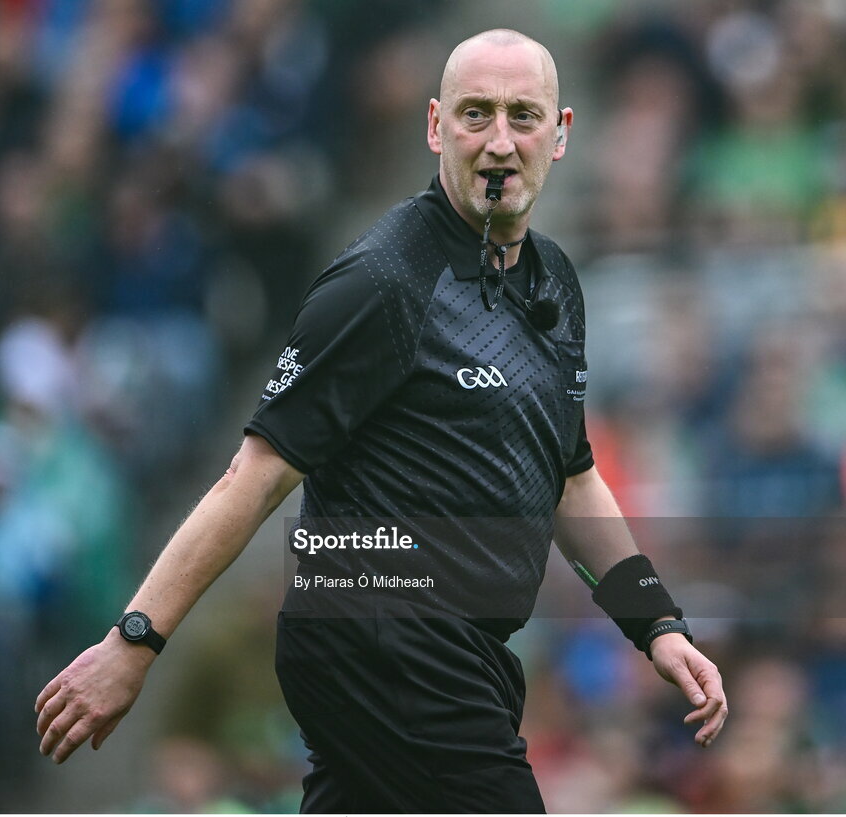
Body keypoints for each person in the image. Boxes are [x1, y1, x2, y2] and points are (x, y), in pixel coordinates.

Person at [35, 29, 728, 812]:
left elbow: (572, 480)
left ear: (561, 134)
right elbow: (255, 476)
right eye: (476, 114)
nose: (500, 140)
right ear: (435, 126)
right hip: (384, 638)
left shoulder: (556, 284)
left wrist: (658, 624)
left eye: (522, 117)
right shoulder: (384, 278)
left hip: (462, 654)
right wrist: (135, 641)